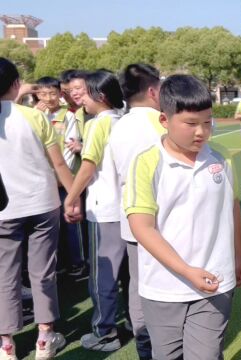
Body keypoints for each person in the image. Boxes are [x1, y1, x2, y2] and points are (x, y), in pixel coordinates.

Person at [124, 74, 241, 360]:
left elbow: (232, 209)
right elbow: (142, 228)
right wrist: (186, 270)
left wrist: (239, 257)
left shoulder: (222, 157)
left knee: (205, 355)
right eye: (190, 124)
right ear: (164, 120)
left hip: (215, 282)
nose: (201, 131)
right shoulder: (147, 162)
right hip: (163, 288)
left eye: (207, 121)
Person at [0, 57, 80, 360]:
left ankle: (6, 343)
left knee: (5, 275)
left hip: (5, 211)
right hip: (42, 204)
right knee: (42, 272)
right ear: (16, 85)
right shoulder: (34, 117)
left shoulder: (28, 112)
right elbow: (59, 163)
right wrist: (73, 197)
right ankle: (44, 338)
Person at [63, 70, 126, 352]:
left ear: (100, 96)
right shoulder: (123, 120)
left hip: (104, 209)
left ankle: (104, 331)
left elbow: (88, 166)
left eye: (84, 92)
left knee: (102, 275)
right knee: (127, 274)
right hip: (126, 208)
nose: (80, 98)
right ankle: (134, 325)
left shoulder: (98, 124)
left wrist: (72, 196)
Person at [108, 63, 165, 359]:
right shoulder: (164, 122)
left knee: (138, 289)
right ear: (154, 90)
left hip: (132, 223)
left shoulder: (118, 126)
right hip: (165, 223)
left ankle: (146, 347)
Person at [35, 76, 87, 277]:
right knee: (52, 226)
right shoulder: (33, 115)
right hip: (45, 180)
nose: (48, 98)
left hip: (66, 180)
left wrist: (60, 175)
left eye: (52, 93)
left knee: (72, 224)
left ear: (60, 94)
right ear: (37, 94)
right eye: (43, 94)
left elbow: (67, 150)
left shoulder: (68, 116)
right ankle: (61, 263)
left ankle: (79, 263)